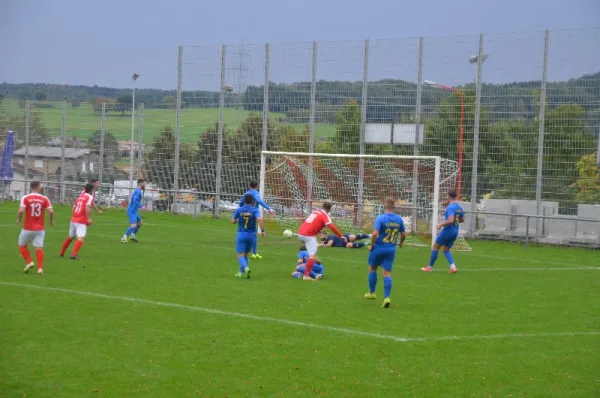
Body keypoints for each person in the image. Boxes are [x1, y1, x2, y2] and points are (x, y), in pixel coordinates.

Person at [365, 197, 406, 308]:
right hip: (391, 249)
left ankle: (372, 293)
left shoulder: (381, 218)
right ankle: (387, 297)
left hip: (378, 248)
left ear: (384, 206)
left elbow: (374, 233)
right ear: (393, 207)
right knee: (387, 273)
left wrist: (372, 245)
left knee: (372, 268)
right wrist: (401, 243)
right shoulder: (398, 219)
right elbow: (403, 234)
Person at [297, 201, 343, 281]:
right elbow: (331, 226)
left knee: (312, 248)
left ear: (323, 206)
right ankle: (306, 275)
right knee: (312, 255)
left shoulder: (316, 211)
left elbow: (312, 223)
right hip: (308, 235)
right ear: (330, 209)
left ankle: (303, 266)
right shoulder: (325, 215)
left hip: (300, 233)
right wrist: (340, 236)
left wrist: (318, 231)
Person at [16, 181, 55, 275]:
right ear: (38, 187)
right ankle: (40, 268)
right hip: (40, 228)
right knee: (39, 248)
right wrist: (51, 221)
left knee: (22, 245)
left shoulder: (26, 197)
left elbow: (21, 211)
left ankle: (29, 262)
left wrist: (19, 220)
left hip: (28, 227)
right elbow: (51, 212)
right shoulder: (44, 198)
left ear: (30, 187)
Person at [421, 189, 464, 273]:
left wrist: (440, 224)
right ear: (455, 197)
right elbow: (462, 220)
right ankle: (453, 267)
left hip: (448, 230)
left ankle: (429, 267)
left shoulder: (450, 207)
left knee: (435, 247)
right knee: (446, 249)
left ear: (448, 196)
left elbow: (451, 220)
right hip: (455, 231)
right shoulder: (459, 207)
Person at [239, 180, 274, 260]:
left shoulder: (246, 193)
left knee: (245, 231)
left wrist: (242, 210)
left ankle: (249, 252)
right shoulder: (255, 193)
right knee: (253, 233)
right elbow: (258, 201)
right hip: (253, 213)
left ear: (249, 185)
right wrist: (268, 208)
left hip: (244, 214)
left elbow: (240, 203)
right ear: (257, 186)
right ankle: (253, 253)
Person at [232, 193, 265, 278]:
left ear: (244, 201)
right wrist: (262, 230)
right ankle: (240, 272)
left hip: (241, 234)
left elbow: (232, 221)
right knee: (246, 254)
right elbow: (259, 219)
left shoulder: (239, 210)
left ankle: (246, 268)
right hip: (251, 236)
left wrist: (237, 220)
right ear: (253, 202)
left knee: (240, 255)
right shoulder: (255, 210)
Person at [60, 183, 94, 260]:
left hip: (74, 219)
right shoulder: (89, 197)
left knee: (70, 237)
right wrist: (89, 218)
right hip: (81, 221)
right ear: (91, 190)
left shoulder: (80, 197)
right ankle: (74, 254)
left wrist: (73, 216)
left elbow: (74, 207)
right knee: (81, 238)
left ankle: (62, 252)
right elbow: (87, 206)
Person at [121, 179, 146, 243]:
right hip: (131, 210)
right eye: (145, 184)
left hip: (134, 211)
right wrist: (141, 206)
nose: (145, 185)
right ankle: (124, 237)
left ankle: (132, 235)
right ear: (141, 184)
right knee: (134, 225)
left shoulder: (138, 190)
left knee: (139, 223)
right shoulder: (138, 191)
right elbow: (135, 200)